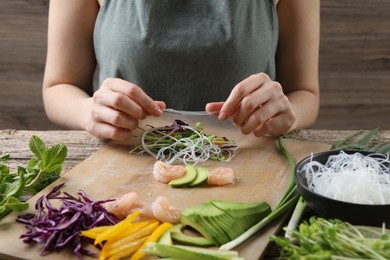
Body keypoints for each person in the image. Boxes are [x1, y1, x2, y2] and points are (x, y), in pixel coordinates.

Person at [42, 0, 320, 141]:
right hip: (124, 164)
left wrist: (288, 114)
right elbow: (58, 86)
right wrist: (87, 111)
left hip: (251, 168)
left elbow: (304, 92)